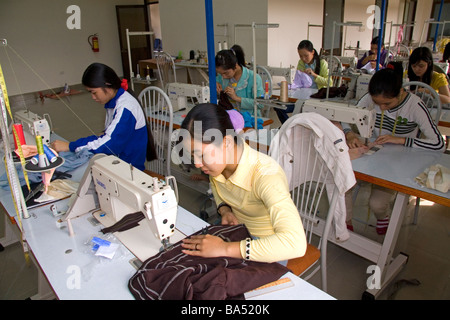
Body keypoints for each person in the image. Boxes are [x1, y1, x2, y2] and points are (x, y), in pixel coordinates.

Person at [176, 103, 307, 263]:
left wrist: (224, 248)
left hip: (267, 246)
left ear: (227, 143)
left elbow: (295, 243)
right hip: (238, 231)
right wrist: (224, 210)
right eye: (193, 156)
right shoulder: (217, 165)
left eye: (201, 155)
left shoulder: (266, 175)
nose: (197, 164)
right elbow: (218, 188)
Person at [343, 62, 446, 234]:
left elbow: (438, 143)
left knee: (377, 203)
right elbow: (347, 117)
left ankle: (383, 217)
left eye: (387, 104)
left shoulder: (415, 106)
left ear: (400, 92)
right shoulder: (370, 98)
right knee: (343, 182)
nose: (381, 108)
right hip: (375, 155)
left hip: (400, 161)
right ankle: (345, 224)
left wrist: (400, 140)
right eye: (377, 103)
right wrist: (349, 134)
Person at [51, 63, 156, 171]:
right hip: (119, 164)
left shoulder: (126, 108)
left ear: (107, 85)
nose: (93, 97)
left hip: (129, 170)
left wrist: (70, 146)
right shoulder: (114, 102)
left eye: (94, 92)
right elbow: (109, 137)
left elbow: (109, 144)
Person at [275, 40, 330, 124]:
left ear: (312, 52)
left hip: (315, 100)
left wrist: (314, 75)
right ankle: (289, 125)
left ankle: (291, 126)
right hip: (301, 98)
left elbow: (329, 82)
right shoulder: (301, 63)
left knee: (300, 112)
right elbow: (297, 80)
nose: (303, 59)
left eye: (306, 56)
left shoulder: (322, 63)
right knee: (278, 107)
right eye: (301, 56)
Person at [215, 44, 264, 116]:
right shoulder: (221, 77)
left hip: (250, 119)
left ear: (235, 66)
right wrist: (214, 84)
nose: (223, 77)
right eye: (221, 74)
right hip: (229, 118)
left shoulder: (254, 78)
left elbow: (260, 104)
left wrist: (236, 98)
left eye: (226, 73)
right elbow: (211, 87)